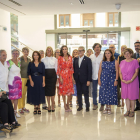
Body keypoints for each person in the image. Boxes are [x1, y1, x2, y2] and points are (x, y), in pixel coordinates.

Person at [0, 50, 20, 133]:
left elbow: (6, 78)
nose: (5, 56)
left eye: (6, 55)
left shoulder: (5, 64)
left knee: (8, 102)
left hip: (4, 90)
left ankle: (13, 122)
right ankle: (5, 124)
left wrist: (6, 90)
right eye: (3, 55)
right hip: (0, 91)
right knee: (4, 105)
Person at [119, 48, 139, 117]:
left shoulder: (135, 61)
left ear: (131, 54)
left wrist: (131, 80)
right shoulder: (122, 62)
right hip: (124, 81)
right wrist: (122, 79)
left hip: (133, 81)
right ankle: (127, 110)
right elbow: (120, 72)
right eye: (125, 53)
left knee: (132, 97)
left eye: (128, 53)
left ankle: (132, 111)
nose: (126, 55)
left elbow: (136, 72)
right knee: (126, 97)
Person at [98, 49, 118, 115]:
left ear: (111, 54)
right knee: (104, 93)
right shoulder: (102, 61)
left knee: (111, 93)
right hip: (103, 79)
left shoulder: (115, 61)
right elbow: (100, 71)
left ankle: (109, 107)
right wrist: (99, 79)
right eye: (106, 53)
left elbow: (117, 71)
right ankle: (106, 107)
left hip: (112, 79)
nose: (107, 54)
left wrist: (116, 80)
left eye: (108, 53)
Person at [73, 46, 92, 112]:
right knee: (79, 93)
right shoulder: (75, 59)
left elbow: (90, 70)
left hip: (85, 80)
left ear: (84, 51)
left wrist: (89, 80)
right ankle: (80, 106)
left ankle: (87, 106)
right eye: (79, 50)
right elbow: (74, 69)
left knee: (86, 93)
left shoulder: (88, 59)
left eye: (81, 50)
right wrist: (74, 79)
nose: (80, 52)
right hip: (77, 79)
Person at [57, 45, 74, 112]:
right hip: (63, 76)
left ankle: (68, 104)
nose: (64, 50)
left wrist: (72, 77)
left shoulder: (70, 57)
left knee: (69, 91)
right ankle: (64, 104)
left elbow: (71, 68)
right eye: (63, 49)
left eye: (65, 49)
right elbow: (59, 68)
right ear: (62, 50)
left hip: (69, 76)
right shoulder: (60, 58)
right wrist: (60, 77)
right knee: (63, 91)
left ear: (67, 50)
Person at [7, 49, 22, 118]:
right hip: (11, 83)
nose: (15, 55)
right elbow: (6, 73)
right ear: (11, 54)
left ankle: (15, 111)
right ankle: (10, 113)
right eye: (14, 53)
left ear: (18, 54)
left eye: (17, 53)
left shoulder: (19, 62)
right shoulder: (8, 62)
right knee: (12, 98)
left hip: (18, 83)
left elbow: (19, 72)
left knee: (16, 98)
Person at [42, 47, 57, 112]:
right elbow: (42, 69)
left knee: (52, 92)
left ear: (52, 52)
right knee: (47, 92)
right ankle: (49, 106)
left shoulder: (55, 59)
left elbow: (56, 69)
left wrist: (58, 78)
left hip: (53, 76)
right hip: (46, 76)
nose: (49, 51)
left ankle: (53, 106)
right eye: (48, 50)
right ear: (46, 51)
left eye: (50, 50)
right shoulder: (43, 59)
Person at [89, 43, 104, 111]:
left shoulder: (103, 55)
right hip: (94, 76)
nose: (97, 48)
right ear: (94, 48)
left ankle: (102, 104)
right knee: (94, 91)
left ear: (100, 48)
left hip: (102, 76)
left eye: (98, 47)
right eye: (95, 47)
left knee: (102, 90)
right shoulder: (91, 56)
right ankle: (95, 104)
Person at [18, 47, 31, 115]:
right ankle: (19, 108)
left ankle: (23, 107)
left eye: (27, 51)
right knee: (20, 93)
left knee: (24, 94)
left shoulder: (29, 59)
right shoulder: (19, 59)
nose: (26, 52)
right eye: (25, 51)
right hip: (21, 78)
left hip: (27, 78)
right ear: (22, 52)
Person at [133, 42, 140, 111]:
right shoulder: (134, 55)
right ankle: (138, 106)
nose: (136, 47)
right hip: (136, 76)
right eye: (135, 46)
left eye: (138, 46)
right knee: (137, 90)